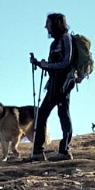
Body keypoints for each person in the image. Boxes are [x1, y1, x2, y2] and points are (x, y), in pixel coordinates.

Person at [26, 12, 74, 162]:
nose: (46, 26)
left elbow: (67, 62)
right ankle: (38, 152)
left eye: (48, 23)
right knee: (42, 114)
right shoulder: (54, 43)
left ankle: (64, 151)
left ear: (55, 23)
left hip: (63, 85)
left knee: (62, 115)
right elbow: (54, 66)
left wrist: (46, 65)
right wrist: (40, 64)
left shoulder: (66, 39)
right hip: (54, 85)